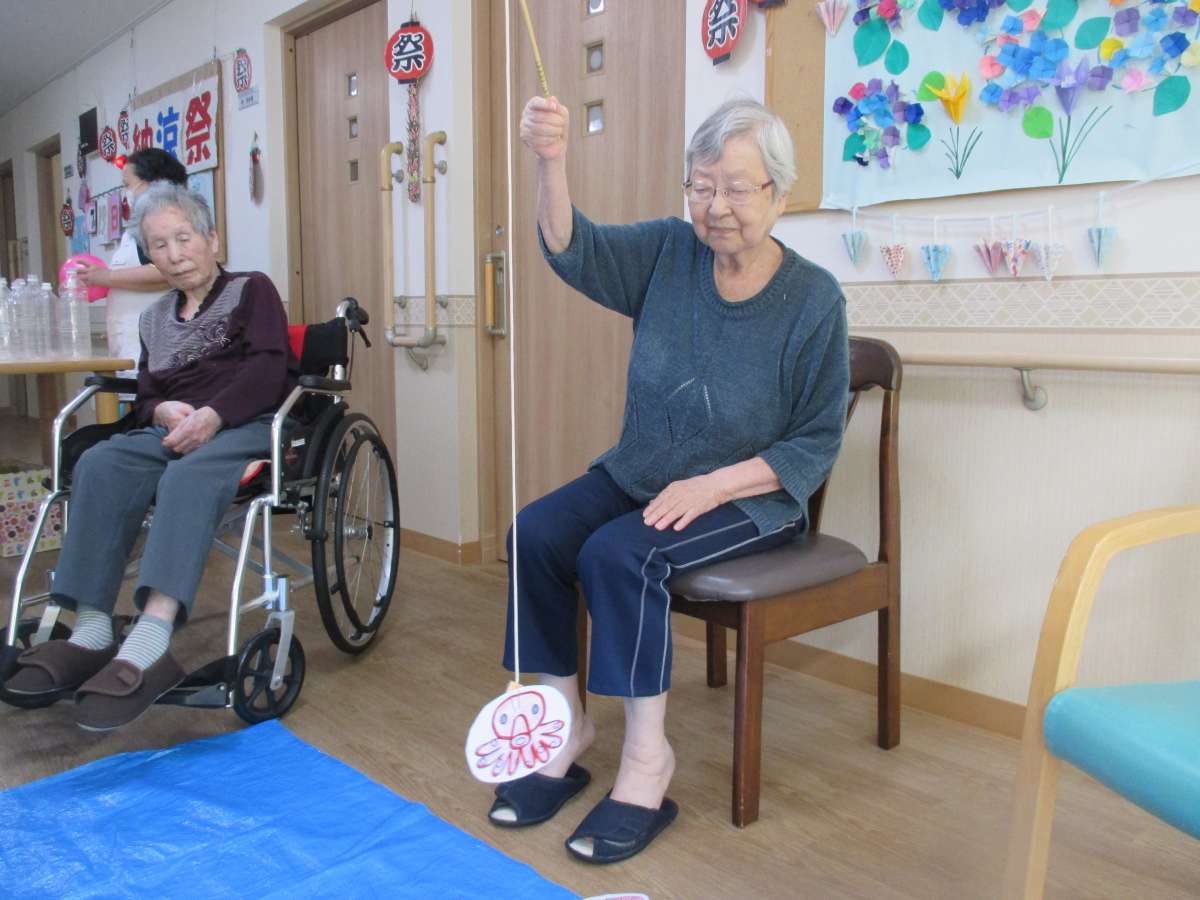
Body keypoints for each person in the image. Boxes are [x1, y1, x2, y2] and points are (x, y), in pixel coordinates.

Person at [489, 97, 850, 863]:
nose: (716, 207)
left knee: (619, 554)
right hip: (645, 470)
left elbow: (816, 439)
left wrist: (715, 485)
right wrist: (550, 162)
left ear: (780, 195)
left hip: (755, 498)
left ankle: (648, 758)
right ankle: (565, 725)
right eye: (701, 186)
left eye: (737, 188)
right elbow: (573, 248)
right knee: (536, 534)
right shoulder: (667, 253)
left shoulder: (815, 299)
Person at [6, 184, 298, 731]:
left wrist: (213, 415)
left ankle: (152, 638)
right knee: (99, 463)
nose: (174, 254)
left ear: (213, 240)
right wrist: (161, 409)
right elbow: (145, 397)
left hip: (243, 424)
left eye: (184, 238)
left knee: (186, 477)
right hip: (173, 429)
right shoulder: (155, 317)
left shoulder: (251, 289)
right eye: (159, 245)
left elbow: (268, 369)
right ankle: (92, 630)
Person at [75, 147, 188, 376]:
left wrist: (106, 277)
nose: (126, 193)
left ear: (155, 183)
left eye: (127, 184)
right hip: (133, 345)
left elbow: (167, 272)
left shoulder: (165, 222)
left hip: (157, 349)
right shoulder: (140, 226)